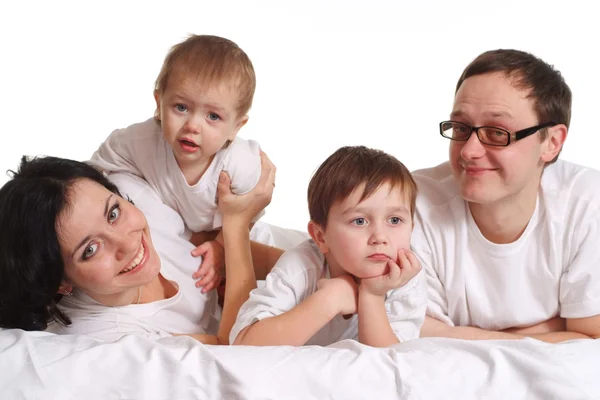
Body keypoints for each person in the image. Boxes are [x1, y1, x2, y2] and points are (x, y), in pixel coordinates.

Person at [413, 49, 600, 342]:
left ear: (551, 142)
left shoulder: (588, 202)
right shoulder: (411, 203)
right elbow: (417, 336)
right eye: (461, 128)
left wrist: (457, 335)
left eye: (498, 132)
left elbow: (593, 335)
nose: (468, 151)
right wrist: (559, 327)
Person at [0, 152, 276, 345]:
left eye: (113, 214)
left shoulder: (138, 195)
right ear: (60, 283)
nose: (127, 243)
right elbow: (236, 351)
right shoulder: (111, 339)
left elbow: (214, 245)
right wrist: (237, 222)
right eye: (90, 250)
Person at [88, 34, 282, 294]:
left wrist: (221, 246)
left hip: (238, 236)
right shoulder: (140, 141)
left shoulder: (240, 165)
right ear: (159, 103)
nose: (192, 125)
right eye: (181, 107)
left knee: (260, 287)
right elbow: (94, 171)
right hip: (184, 240)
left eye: (213, 116)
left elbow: (248, 211)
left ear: (236, 127)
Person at [230, 146, 427, 347]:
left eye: (394, 220)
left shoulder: (407, 278)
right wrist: (329, 300)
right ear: (320, 236)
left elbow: (388, 361)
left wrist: (372, 295)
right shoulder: (302, 266)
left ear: (412, 227)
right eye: (359, 221)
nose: (380, 237)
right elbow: (244, 344)